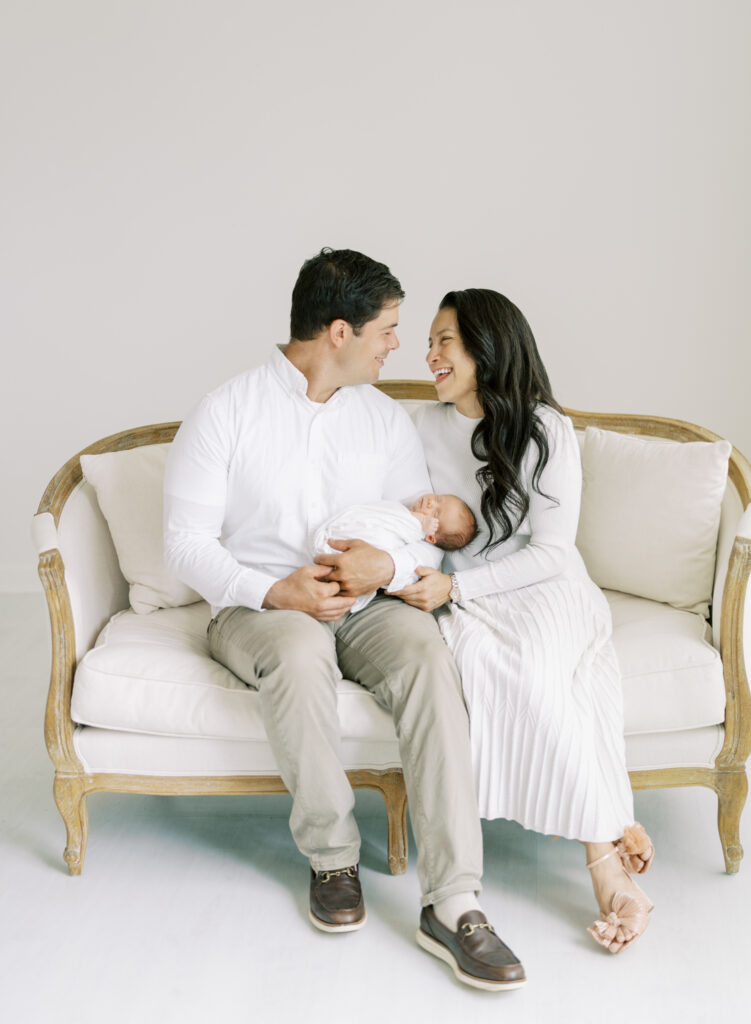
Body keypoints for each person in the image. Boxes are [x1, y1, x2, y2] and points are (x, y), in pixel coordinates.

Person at [163, 251, 526, 991]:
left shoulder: (382, 418)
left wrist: (382, 569)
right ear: (338, 331)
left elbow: (418, 529)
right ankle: (332, 861)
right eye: (386, 330)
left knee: (427, 659)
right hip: (257, 606)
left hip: (366, 606)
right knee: (298, 653)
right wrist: (275, 592)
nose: (397, 344)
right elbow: (184, 544)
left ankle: (454, 900)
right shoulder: (225, 411)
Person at [394, 288, 654, 955]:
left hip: (543, 586)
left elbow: (550, 551)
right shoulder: (418, 428)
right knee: (484, 665)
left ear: (486, 345)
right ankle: (611, 827)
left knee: (540, 671)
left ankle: (605, 870)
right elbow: (409, 522)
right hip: (467, 598)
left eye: (443, 340)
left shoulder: (544, 428)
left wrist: (456, 584)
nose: (429, 355)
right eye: (428, 342)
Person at [312, 493, 477, 612]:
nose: (430, 503)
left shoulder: (412, 529)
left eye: (435, 513)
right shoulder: (402, 509)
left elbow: (397, 531)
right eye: (438, 498)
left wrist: (417, 523)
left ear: (431, 538)